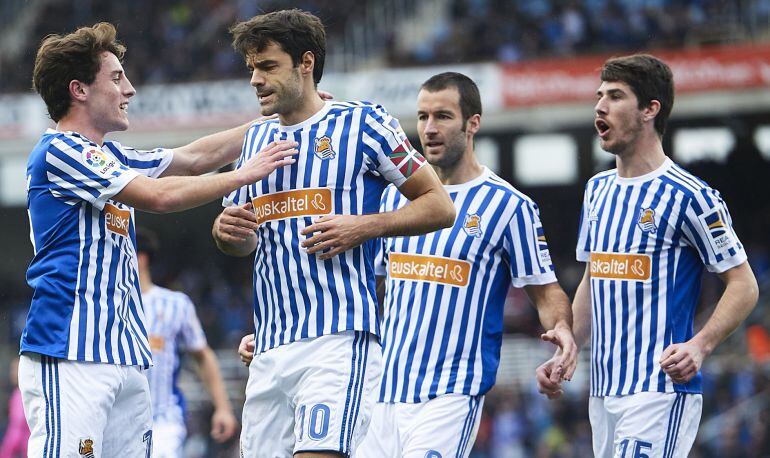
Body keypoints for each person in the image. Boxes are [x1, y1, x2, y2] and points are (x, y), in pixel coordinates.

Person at [19, 22, 297, 457]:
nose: (129, 89)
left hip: (126, 356)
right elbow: (159, 196)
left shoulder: (109, 155)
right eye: (116, 78)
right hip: (71, 352)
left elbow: (192, 158)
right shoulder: (60, 151)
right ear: (79, 90)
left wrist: (284, 119)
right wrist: (244, 174)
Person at [212, 9, 455, 457]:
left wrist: (363, 226)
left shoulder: (364, 125)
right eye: (251, 69)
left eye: (268, 66)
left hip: (337, 340)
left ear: (306, 63)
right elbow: (243, 241)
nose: (255, 80)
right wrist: (227, 231)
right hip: (267, 348)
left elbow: (439, 206)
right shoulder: (252, 142)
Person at [536, 54, 759, 458]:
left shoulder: (690, 197)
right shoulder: (597, 190)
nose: (600, 105)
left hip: (659, 390)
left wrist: (700, 345)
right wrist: (569, 347)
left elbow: (744, 284)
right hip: (603, 393)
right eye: (599, 95)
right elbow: (593, 278)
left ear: (649, 110)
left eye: (616, 96)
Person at [356, 72, 576, 457]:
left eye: (443, 116)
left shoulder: (509, 206)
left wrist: (562, 330)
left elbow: (546, 291)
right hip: (381, 393)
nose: (429, 128)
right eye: (423, 117)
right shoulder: (393, 199)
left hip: (450, 396)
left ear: (473, 123)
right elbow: (367, 288)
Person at [136, 228, 238, 458]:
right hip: (119, 417)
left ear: (141, 258)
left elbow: (203, 355)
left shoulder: (175, 304)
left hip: (163, 418)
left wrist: (222, 407)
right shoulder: (106, 307)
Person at [0, 358, 29, 458]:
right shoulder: (16, 394)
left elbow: (17, 430)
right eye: (12, 369)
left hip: (26, 449)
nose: (12, 373)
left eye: (15, 369)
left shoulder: (23, 395)